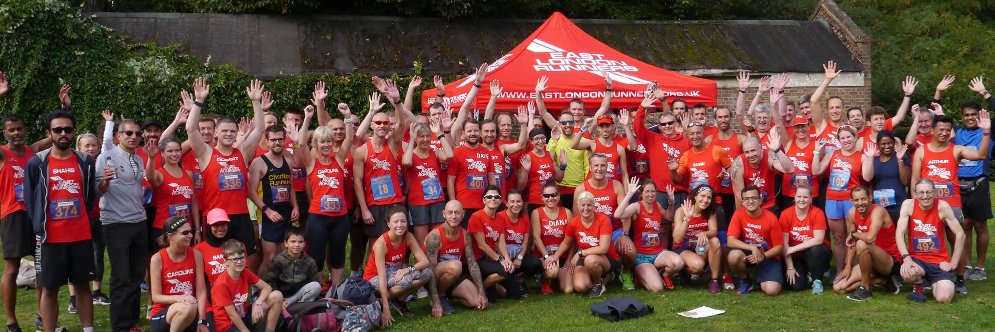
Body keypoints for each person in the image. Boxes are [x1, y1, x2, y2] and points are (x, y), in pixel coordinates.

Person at [25, 110, 97, 332]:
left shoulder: (84, 161)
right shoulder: (37, 162)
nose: (63, 133)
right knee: (49, 288)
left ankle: (88, 329)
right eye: (57, 130)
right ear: (50, 133)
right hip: (50, 237)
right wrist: (39, 225)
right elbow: (30, 200)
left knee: (83, 286)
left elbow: (89, 197)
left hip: (80, 235)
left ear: (73, 132)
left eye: (67, 129)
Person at [185, 77, 267, 267]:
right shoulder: (206, 154)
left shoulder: (243, 152)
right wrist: (198, 101)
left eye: (232, 131)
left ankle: (246, 292)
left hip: (240, 214)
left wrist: (256, 102)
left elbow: (260, 129)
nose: (229, 134)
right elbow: (190, 129)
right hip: (216, 216)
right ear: (216, 133)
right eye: (224, 131)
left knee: (248, 255)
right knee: (217, 259)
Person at [910, 111, 990, 294]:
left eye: (947, 130)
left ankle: (960, 278)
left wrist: (986, 133)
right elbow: (915, 179)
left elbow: (981, 155)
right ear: (933, 130)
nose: (944, 133)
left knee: (956, 239)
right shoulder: (922, 151)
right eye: (941, 129)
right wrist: (916, 204)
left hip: (951, 205)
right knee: (929, 240)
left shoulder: (956, 149)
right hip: (927, 206)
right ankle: (930, 275)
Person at [95, 118, 150, 332]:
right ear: (119, 136)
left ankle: (132, 322)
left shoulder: (139, 160)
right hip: (116, 223)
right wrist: (106, 181)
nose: (134, 137)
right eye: (129, 133)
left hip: (138, 220)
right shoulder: (106, 157)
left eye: (137, 134)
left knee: (136, 274)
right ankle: (120, 325)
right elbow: (97, 190)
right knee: (121, 276)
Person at [297, 104, 354, 288]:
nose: (327, 145)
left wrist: (347, 117)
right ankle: (317, 294)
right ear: (316, 144)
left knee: (338, 257)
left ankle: (335, 294)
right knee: (317, 258)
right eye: (322, 142)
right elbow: (299, 143)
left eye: (329, 141)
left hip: (340, 217)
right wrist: (306, 118)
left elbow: (349, 139)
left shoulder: (338, 158)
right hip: (318, 218)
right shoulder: (311, 162)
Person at [814, 125, 875, 276]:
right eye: (843, 138)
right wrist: (816, 153)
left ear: (855, 138)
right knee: (839, 238)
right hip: (833, 200)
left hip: (851, 202)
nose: (846, 140)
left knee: (852, 236)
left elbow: (867, 177)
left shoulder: (861, 156)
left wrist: (870, 159)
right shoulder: (833, 154)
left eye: (849, 137)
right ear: (839, 140)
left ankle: (854, 271)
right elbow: (816, 171)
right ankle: (840, 271)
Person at [354, 82, 408, 249]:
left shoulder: (392, 144)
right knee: (376, 244)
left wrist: (397, 101)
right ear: (372, 125)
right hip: (374, 203)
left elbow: (402, 124)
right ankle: (373, 274)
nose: (382, 126)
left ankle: (395, 273)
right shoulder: (362, 151)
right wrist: (364, 209)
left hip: (394, 202)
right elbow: (357, 181)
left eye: (386, 123)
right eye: (378, 123)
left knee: (397, 241)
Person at [895, 180, 966, 304]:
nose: (925, 196)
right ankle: (919, 286)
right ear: (916, 194)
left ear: (935, 192)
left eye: (928, 192)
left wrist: (953, 263)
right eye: (921, 192)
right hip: (917, 260)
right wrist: (906, 258)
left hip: (939, 262)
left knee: (944, 298)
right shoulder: (908, 205)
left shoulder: (942, 206)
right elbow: (899, 234)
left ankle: (935, 283)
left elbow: (961, 234)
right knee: (907, 273)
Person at [246, 124, 301, 277]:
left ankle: (280, 288)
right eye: (274, 140)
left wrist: (295, 206)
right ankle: (259, 291)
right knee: (269, 258)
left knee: (284, 257)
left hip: (285, 215)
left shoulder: (288, 162)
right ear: (267, 142)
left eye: (280, 140)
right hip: (267, 216)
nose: (277, 143)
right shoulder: (259, 162)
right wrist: (267, 210)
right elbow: (251, 192)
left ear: (285, 141)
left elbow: (290, 188)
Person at [364, 206, 432, 326]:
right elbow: (382, 277)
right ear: (388, 224)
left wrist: (408, 269)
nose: (400, 225)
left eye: (403, 221)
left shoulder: (408, 236)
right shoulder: (381, 244)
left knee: (427, 273)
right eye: (396, 221)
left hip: (395, 275)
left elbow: (425, 262)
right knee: (406, 280)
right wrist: (385, 308)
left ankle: (399, 300)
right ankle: (381, 303)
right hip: (374, 279)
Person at [833, 186, 901, 301]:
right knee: (838, 288)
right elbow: (851, 243)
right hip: (869, 261)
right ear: (852, 201)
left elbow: (870, 237)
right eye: (856, 200)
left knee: (861, 244)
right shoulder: (851, 214)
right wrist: (848, 266)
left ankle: (865, 289)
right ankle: (882, 280)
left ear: (870, 198)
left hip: (889, 261)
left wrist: (854, 234)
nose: (860, 203)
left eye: (863, 199)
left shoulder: (878, 211)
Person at [571, 154, 629, 288]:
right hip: (591, 234)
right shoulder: (581, 189)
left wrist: (624, 235)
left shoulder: (616, 185)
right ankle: (605, 275)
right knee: (581, 286)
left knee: (629, 249)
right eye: (596, 165)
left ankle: (625, 273)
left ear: (607, 167)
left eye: (603, 165)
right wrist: (574, 254)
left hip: (614, 231)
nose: (599, 168)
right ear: (590, 167)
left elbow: (625, 214)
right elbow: (576, 222)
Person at [615, 178, 683, 292]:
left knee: (679, 262)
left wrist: (671, 202)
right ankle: (639, 274)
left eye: (653, 191)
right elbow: (618, 214)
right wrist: (629, 194)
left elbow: (670, 217)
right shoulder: (637, 206)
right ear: (641, 193)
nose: (650, 194)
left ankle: (663, 274)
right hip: (642, 257)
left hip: (658, 253)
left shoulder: (657, 205)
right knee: (657, 288)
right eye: (647, 191)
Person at [959, 76, 995, 281]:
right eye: (966, 115)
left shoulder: (988, 131)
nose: (970, 117)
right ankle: (967, 264)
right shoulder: (957, 132)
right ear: (962, 117)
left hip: (979, 183)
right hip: (959, 184)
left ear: (980, 114)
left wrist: (984, 92)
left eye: (974, 114)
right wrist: (938, 94)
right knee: (965, 225)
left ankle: (980, 267)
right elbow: (936, 120)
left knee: (980, 225)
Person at [424, 201, 488, 316]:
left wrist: (481, 292)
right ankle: (441, 296)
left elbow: (472, 264)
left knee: (476, 302)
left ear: (463, 214)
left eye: (457, 213)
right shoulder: (434, 236)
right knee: (456, 265)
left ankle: (450, 295)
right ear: (444, 214)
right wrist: (435, 301)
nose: (453, 216)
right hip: (433, 276)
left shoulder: (465, 235)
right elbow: (430, 270)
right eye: (450, 213)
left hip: (453, 276)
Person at [547, 191, 613, 297]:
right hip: (584, 259)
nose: (585, 208)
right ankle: (602, 277)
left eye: (589, 205)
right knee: (580, 286)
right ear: (578, 206)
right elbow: (566, 242)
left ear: (594, 206)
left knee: (590, 260)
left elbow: (603, 248)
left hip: (605, 258)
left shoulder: (603, 219)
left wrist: (579, 253)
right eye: (583, 205)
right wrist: (555, 256)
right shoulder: (574, 222)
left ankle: (599, 283)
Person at [149, 217, 209, 332]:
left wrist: (202, 321)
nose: (190, 235)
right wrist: (179, 298)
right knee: (188, 305)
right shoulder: (157, 259)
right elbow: (156, 297)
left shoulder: (196, 255)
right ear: (170, 236)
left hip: (190, 313)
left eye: (190, 231)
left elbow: (201, 291)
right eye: (185, 233)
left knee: (190, 306)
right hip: (163, 314)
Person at [72, 132, 111, 306]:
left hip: (100, 216)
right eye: (86, 146)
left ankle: (96, 291)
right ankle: (74, 297)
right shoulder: (74, 164)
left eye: (93, 145)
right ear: (78, 148)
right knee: (76, 256)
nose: (90, 148)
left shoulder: (101, 164)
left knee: (98, 255)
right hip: (81, 218)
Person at [211, 240, 284, 332]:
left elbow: (267, 287)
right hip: (228, 324)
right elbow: (232, 315)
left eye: (242, 258)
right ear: (225, 262)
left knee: (277, 295)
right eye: (234, 259)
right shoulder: (221, 284)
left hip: (245, 315)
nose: (239, 262)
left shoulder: (244, 272)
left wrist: (258, 302)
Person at [467, 186, 525, 301]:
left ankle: (494, 286)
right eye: (489, 196)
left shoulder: (500, 218)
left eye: (496, 197)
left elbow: (501, 242)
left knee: (516, 294)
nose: (492, 199)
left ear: (500, 200)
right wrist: (500, 259)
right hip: (477, 260)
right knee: (504, 271)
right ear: (484, 200)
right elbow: (481, 245)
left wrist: (507, 259)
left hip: (491, 259)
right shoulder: (476, 216)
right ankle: (480, 287)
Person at [402, 119, 452, 249]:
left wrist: (440, 134)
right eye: (421, 136)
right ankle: (424, 267)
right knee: (422, 242)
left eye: (428, 136)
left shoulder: (435, 153)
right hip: (418, 203)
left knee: (436, 239)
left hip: (436, 200)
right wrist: (411, 140)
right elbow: (406, 162)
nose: (425, 139)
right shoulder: (411, 154)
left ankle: (434, 268)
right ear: (416, 137)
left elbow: (449, 155)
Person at [726, 186, 784, 296]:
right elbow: (731, 241)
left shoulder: (771, 218)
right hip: (747, 254)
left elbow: (779, 247)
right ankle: (745, 281)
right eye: (747, 199)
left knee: (772, 291)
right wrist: (752, 248)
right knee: (733, 256)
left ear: (760, 200)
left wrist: (763, 255)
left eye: (754, 198)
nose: (750, 201)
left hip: (767, 255)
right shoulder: (738, 214)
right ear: (742, 202)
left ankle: (764, 279)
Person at [671, 185, 723, 293]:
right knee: (698, 265)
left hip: (699, 246)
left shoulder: (710, 211)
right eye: (702, 196)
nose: (705, 200)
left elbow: (713, 231)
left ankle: (714, 281)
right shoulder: (681, 210)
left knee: (715, 241)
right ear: (695, 196)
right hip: (683, 248)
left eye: (709, 197)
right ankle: (684, 272)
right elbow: (676, 238)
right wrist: (687, 219)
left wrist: (705, 233)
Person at [730, 134, 793, 211]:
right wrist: (742, 216)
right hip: (749, 206)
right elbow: (738, 195)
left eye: (753, 150)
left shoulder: (769, 156)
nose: (750, 155)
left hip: (768, 205)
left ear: (760, 148)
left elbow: (789, 169)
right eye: (747, 152)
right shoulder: (738, 164)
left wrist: (777, 150)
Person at [530, 184, 572, 294]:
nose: (550, 198)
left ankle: (555, 281)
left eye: (553, 195)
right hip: (545, 256)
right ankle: (544, 279)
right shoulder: (537, 213)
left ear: (558, 196)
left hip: (562, 256)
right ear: (542, 197)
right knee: (553, 272)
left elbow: (571, 239)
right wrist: (547, 257)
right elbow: (536, 237)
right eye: (547, 196)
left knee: (567, 289)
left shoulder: (567, 212)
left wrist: (569, 260)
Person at [265, 229, 321, 305]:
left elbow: (314, 281)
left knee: (316, 286)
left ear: (304, 244)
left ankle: (301, 307)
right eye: (293, 241)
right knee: (273, 295)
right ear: (286, 243)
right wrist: (281, 300)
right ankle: (285, 307)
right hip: (281, 297)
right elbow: (270, 282)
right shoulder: (278, 260)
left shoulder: (309, 262)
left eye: (300, 242)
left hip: (299, 296)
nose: (297, 245)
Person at [499, 190, 541, 289]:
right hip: (503, 256)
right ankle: (505, 282)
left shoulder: (525, 218)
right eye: (512, 201)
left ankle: (520, 277)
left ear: (522, 203)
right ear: (506, 203)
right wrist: (506, 259)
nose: (515, 204)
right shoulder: (500, 217)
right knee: (515, 292)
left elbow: (526, 241)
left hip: (518, 254)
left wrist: (519, 258)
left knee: (536, 263)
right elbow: (498, 243)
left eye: (518, 201)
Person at [779, 114, 821, 211]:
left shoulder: (816, 144)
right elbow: (779, 125)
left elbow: (819, 169)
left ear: (808, 126)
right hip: (790, 192)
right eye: (797, 127)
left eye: (803, 126)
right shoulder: (788, 143)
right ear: (793, 128)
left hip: (811, 192)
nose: (800, 129)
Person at [517, 128, 565, 213]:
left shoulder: (549, 154)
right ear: (531, 141)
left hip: (552, 198)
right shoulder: (528, 157)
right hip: (536, 200)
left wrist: (563, 165)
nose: (540, 141)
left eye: (542, 138)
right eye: (536, 139)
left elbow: (559, 179)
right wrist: (525, 171)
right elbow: (521, 186)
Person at [870, 131, 910, 223]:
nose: (887, 146)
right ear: (878, 145)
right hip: (879, 204)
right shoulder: (873, 160)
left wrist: (900, 160)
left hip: (898, 203)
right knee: (881, 235)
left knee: (897, 234)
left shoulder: (901, 157)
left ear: (894, 143)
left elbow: (905, 181)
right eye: (883, 144)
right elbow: (870, 183)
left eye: (889, 143)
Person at [194, 208, 235, 288]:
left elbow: (244, 276)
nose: (220, 228)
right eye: (216, 225)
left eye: (223, 224)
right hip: (212, 295)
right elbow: (197, 281)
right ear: (209, 227)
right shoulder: (198, 249)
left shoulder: (236, 245)